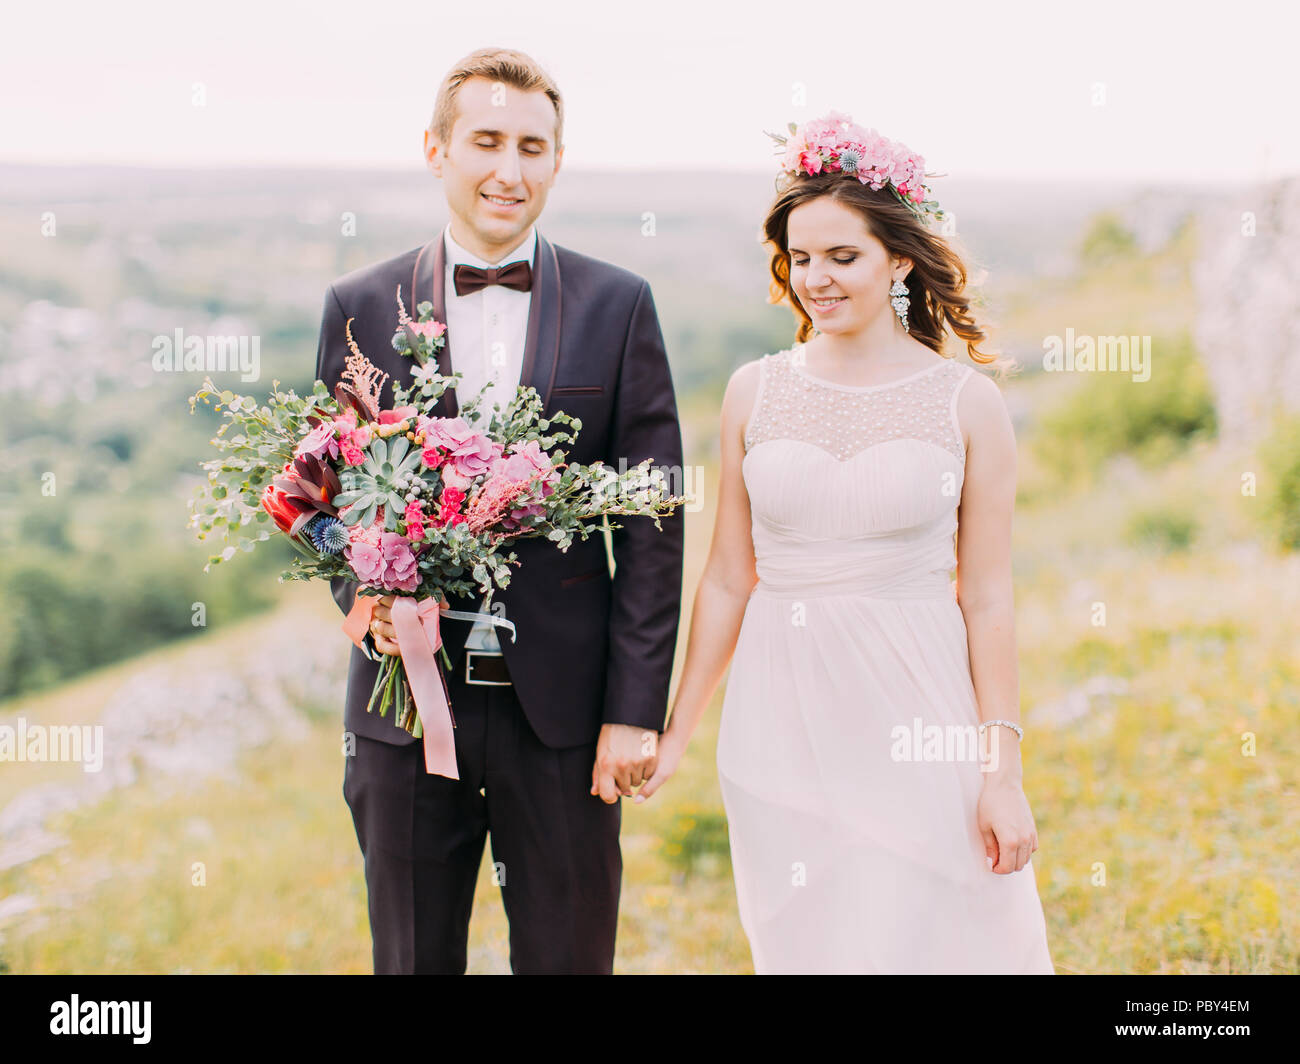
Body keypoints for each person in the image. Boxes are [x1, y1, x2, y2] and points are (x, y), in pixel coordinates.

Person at [638, 113, 1054, 973]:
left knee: (932, 929)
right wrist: (676, 731)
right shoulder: (755, 391)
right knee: (816, 942)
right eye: (799, 257)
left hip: (918, 704)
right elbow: (725, 581)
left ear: (899, 259)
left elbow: (987, 599)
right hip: (779, 714)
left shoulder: (964, 403)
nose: (815, 280)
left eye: (842, 256)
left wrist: (1001, 771)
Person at [314, 47, 684, 974]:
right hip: (404, 718)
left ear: (558, 160)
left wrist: (634, 712)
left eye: (533, 147)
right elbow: (321, 501)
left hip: (562, 719)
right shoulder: (358, 306)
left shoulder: (621, 305)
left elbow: (652, 526)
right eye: (486, 141)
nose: (509, 172)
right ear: (436, 149)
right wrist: (369, 608)